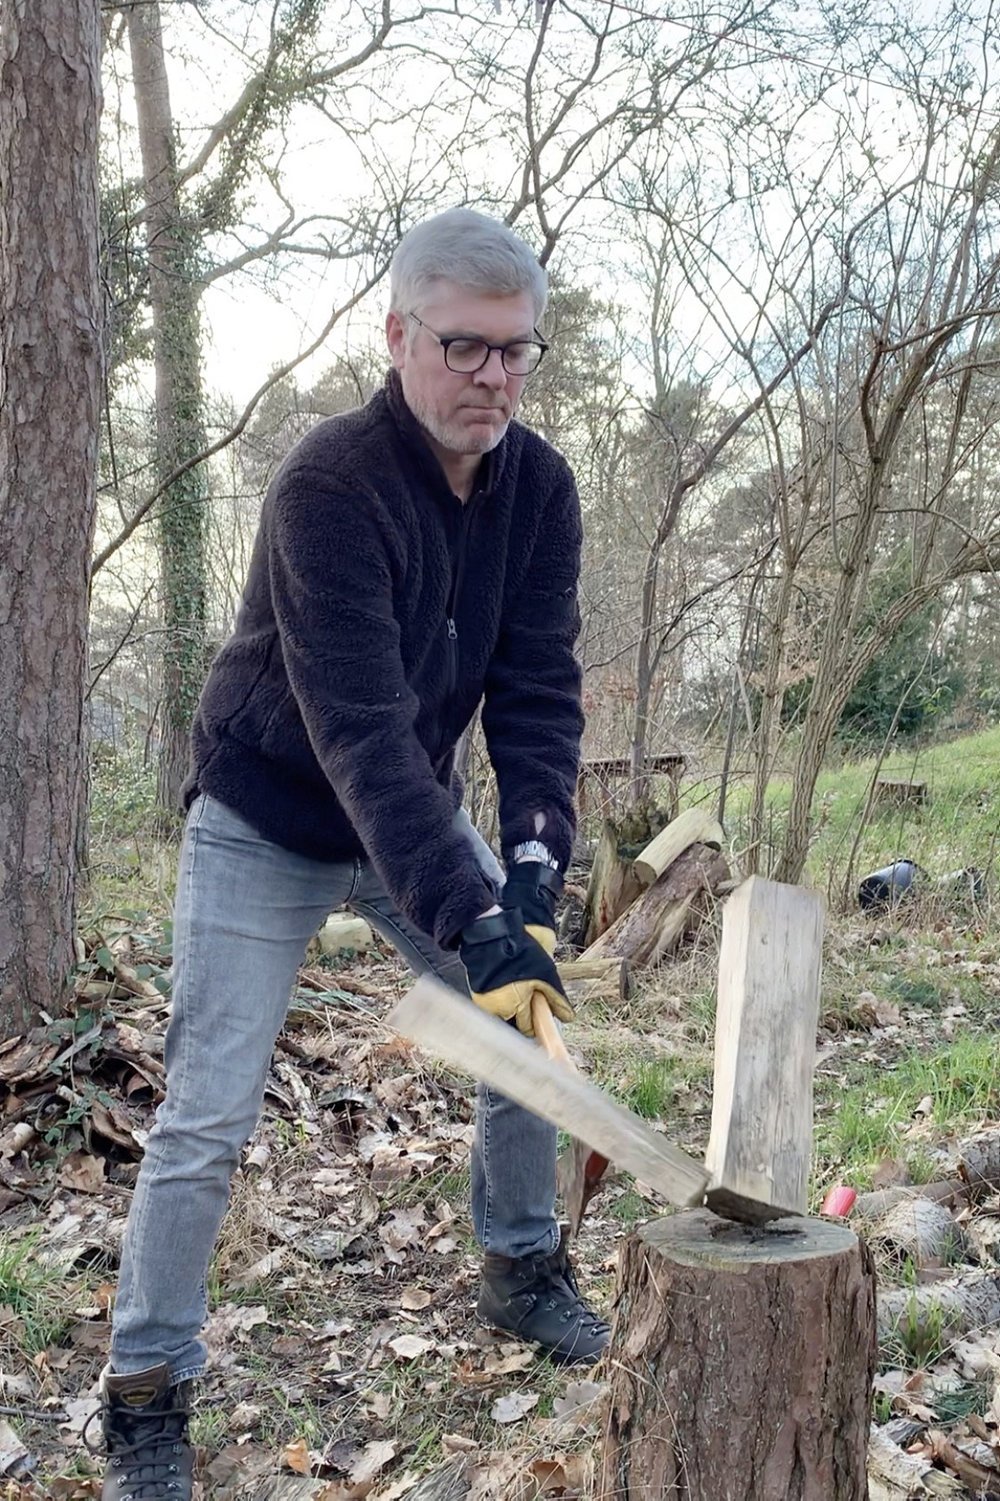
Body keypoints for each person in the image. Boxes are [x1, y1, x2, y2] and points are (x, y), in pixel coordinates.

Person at [94, 207, 608, 1501]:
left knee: (525, 1022)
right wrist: (469, 912)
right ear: (397, 337)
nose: (492, 376)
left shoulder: (540, 492)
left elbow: (537, 693)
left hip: (409, 817)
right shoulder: (327, 484)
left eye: (515, 351)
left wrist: (531, 874)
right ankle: (146, 1388)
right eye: (464, 346)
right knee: (208, 1110)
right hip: (267, 813)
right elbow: (360, 729)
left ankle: (520, 1262)